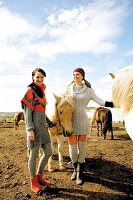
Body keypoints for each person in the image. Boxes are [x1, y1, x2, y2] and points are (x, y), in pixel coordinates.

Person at [65, 67, 113, 185]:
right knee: (72, 149)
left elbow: (101, 102)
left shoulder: (89, 91)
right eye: (74, 75)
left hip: (83, 121)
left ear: (82, 76)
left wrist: (116, 103)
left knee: (81, 148)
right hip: (70, 122)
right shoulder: (67, 89)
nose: (75, 76)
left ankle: (79, 172)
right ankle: (75, 168)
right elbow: (61, 103)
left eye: (77, 74)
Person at [21, 68, 54, 193]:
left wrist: (49, 122)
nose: (40, 79)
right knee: (33, 155)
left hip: (43, 129)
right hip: (33, 129)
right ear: (33, 78)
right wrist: (29, 129)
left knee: (49, 152)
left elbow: (41, 112)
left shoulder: (42, 92)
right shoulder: (30, 91)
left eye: (42, 77)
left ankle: (40, 176)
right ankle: (33, 181)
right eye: (37, 77)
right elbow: (27, 113)